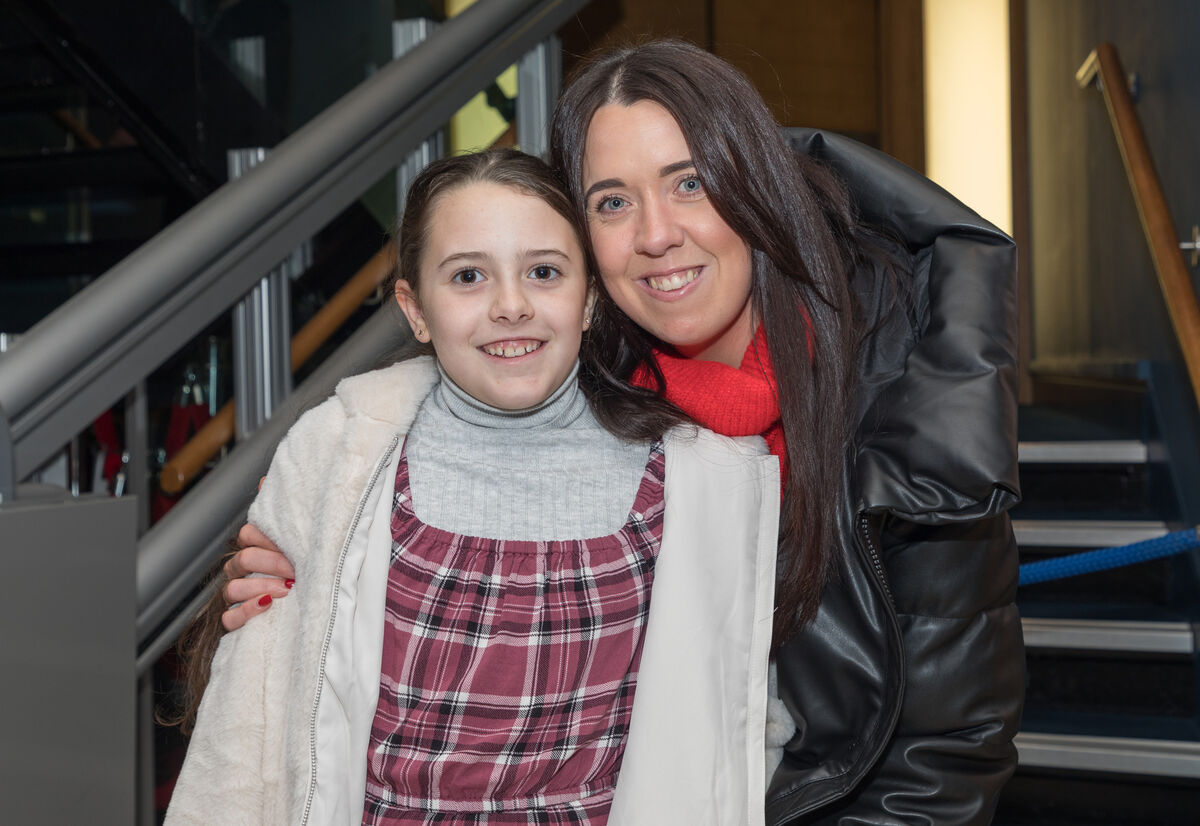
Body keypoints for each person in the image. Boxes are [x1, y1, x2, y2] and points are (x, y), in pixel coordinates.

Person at [215, 40, 1025, 825]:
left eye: (691, 184)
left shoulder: (908, 393)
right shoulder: (577, 394)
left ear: (756, 191)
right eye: (612, 201)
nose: (656, 234)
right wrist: (316, 556)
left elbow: (945, 754)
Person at [166, 148, 782, 825]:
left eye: (544, 272)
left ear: (589, 300)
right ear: (415, 308)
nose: (511, 306)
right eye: (468, 277)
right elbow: (251, 722)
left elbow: (740, 724)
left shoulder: (701, 481)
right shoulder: (338, 455)